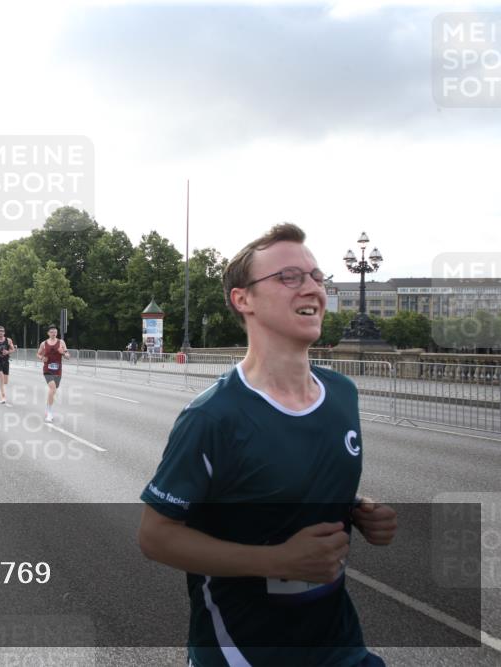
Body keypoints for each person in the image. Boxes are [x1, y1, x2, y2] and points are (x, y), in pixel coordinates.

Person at [137, 223, 397, 667]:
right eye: (289, 277)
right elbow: (155, 537)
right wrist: (277, 560)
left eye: (317, 276)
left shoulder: (342, 393)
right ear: (244, 299)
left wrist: (358, 508)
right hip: (240, 651)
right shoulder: (213, 417)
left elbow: (285, 481)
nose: (312, 288)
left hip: (340, 646)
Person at [36, 324, 69, 423]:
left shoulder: (61, 342)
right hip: (47, 370)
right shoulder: (44, 343)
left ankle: (47, 408)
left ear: (57, 333)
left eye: (55, 332)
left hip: (58, 370)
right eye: (51, 332)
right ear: (48, 333)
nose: (53, 333)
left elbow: (68, 356)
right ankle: (49, 413)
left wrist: (62, 352)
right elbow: (38, 354)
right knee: (52, 388)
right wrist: (42, 358)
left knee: (54, 390)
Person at [0, 325, 16, 404]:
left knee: (5, 381)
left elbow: (13, 349)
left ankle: (1, 388)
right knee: (1, 379)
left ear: (4, 332)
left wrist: (8, 352)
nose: (1, 333)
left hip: (6, 361)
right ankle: (3, 396)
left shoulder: (8, 340)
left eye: (2, 331)